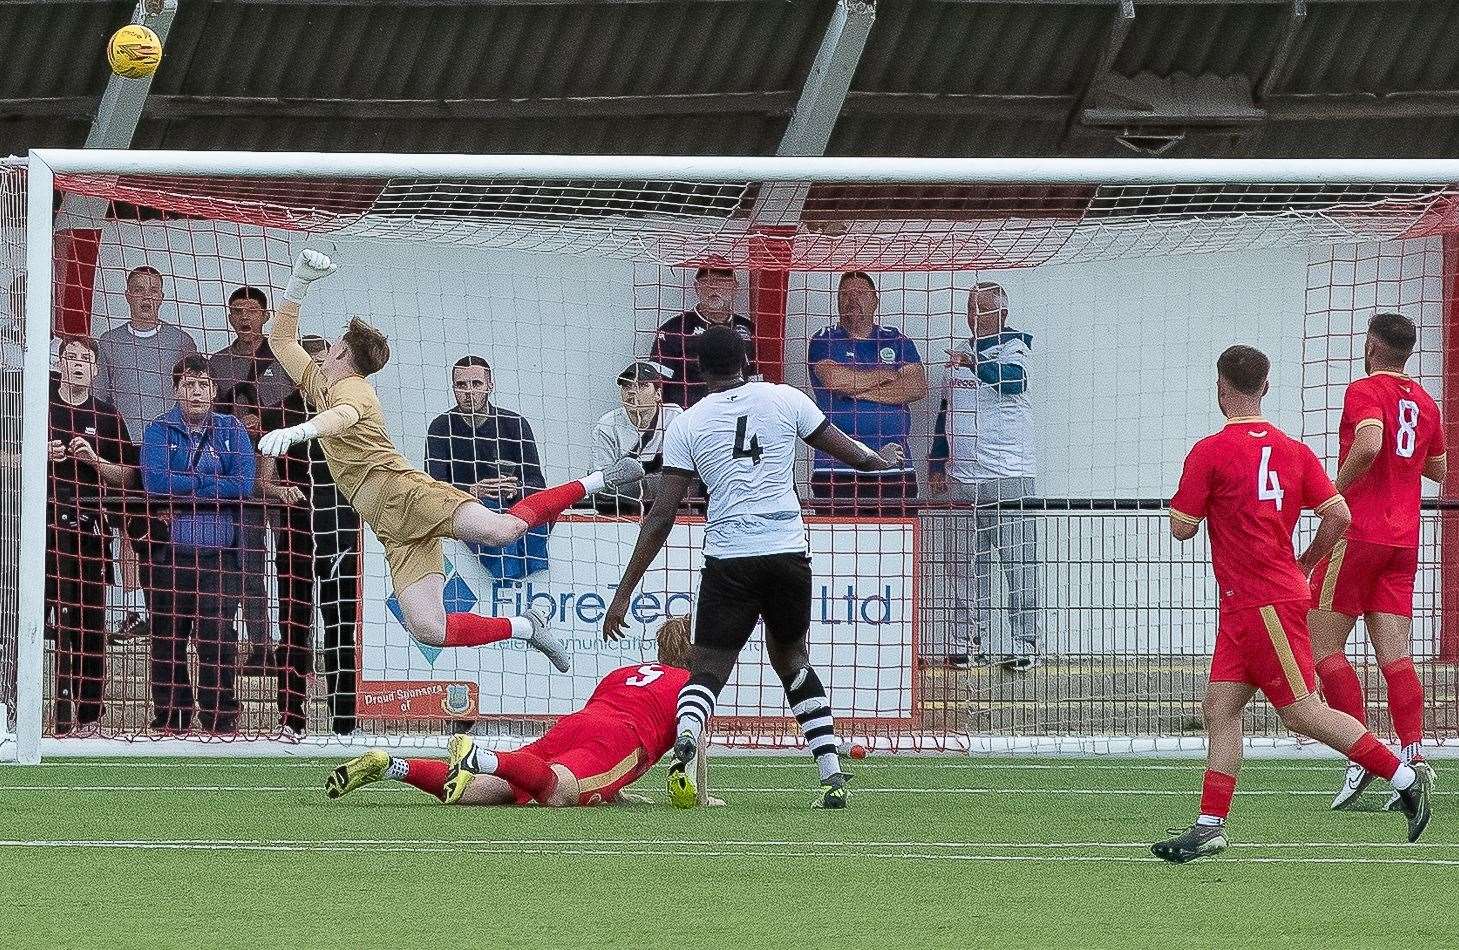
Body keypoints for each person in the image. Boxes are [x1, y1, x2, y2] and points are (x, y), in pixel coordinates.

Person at [257, 250, 642, 669]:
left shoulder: (355, 389)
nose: (324, 350)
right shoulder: (319, 381)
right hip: (392, 527)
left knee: (503, 529)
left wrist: (299, 431)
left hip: (405, 494)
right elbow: (280, 340)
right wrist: (300, 283)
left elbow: (342, 417)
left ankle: (600, 478)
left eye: (332, 345)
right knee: (428, 628)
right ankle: (527, 627)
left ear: (342, 355)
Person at [603, 325, 905, 809]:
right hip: (786, 551)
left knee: (707, 670)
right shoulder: (784, 399)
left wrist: (623, 595)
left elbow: (661, 516)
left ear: (699, 371)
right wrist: (880, 460)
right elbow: (847, 450)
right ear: (747, 361)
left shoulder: (688, 423)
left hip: (729, 557)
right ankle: (830, 772)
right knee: (793, 661)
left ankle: (685, 740)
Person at [1151, 345, 1431, 864]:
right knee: (1221, 707)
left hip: (1263, 602)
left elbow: (1181, 529)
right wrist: (1305, 560)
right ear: (1265, 387)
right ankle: (1210, 824)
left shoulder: (1208, 452)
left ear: (1220, 387)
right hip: (1252, 602)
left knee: (1302, 713)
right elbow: (1338, 514)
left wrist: (1195, 509)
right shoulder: (1294, 451)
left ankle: (1402, 772)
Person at [324, 616, 719, 807]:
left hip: (576, 726)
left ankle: (393, 765)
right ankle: (483, 756)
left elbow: (598, 731)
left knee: (487, 792)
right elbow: (694, 742)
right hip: (618, 741)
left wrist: (614, 790)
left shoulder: (625, 671)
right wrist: (703, 798)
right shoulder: (694, 687)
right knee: (558, 794)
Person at [1308, 313, 1447, 811]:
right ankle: (1412, 756)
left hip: (1358, 534)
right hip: (1403, 540)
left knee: (1321, 646)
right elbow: (1439, 468)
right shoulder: (1425, 402)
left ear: (1370, 345)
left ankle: (1364, 754)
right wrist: (1401, 465)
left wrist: (1331, 492)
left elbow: (1368, 444)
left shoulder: (1365, 390)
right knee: (1397, 656)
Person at [929, 282, 1041, 670]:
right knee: (963, 567)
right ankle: (966, 642)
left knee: (1018, 565)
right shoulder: (957, 355)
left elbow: (1014, 381)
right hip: (962, 479)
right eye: (969, 309)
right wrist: (936, 460)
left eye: (982, 309)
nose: (973, 317)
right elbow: (946, 412)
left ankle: (1026, 643)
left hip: (1009, 477)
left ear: (1003, 315)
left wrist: (973, 363)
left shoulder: (1017, 348)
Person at [141, 355, 254, 734]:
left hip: (220, 557)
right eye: (189, 384)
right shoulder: (158, 430)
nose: (196, 391)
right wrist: (209, 486)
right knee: (167, 637)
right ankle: (172, 715)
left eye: (203, 384)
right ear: (177, 390)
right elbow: (156, 483)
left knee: (217, 636)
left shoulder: (232, 429)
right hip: (169, 554)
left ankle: (220, 715)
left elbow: (244, 485)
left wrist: (189, 485)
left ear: (214, 390)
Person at [94, 265, 199, 644]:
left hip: (171, 450)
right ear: (127, 295)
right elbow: (101, 402)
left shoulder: (181, 342)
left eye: (153, 289)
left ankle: (173, 609)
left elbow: (193, 397)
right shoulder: (107, 343)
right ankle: (134, 610)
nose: (146, 296)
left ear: (163, 295)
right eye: (138, 289)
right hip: (127, 449)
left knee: (173, 525)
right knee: (129, 528)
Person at [265, 334, 362, 737]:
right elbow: (263, 481)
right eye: (311, 362)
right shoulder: (279, 414)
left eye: (325, 361)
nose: (320, 368)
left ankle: (344, 724)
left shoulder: (349, 412)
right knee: (294, 624)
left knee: (340, 626)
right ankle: (292, 719)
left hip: (340, 528)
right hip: (295, 530)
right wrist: (279, 491)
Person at [46, 336, 134, 735]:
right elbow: (6, 457)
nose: (78, 364)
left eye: (85, 359)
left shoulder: (108, 415)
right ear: (59, 363)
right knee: (24, 617)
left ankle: (87, 715)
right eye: (71, 357)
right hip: (40, 529)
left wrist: (94, 461)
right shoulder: (37, 408)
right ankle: (15, 707)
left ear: (96, 370)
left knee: (89, 622)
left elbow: (129, 476)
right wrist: (39, 454)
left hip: (89, 528)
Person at [807, 271, 927, 516]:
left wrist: (857, 390)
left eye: (860, 293)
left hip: (894, 469)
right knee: (836, 549)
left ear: (875, 300)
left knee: (897, 548)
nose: (852, 299)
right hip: (836, 469)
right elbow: (834, 380)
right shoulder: (824, 339)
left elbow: (916, 387)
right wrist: (884, 376)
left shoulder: (896, 339)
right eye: (845, 295)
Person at [424, 355, 548, 582]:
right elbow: (433, 488)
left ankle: (531, 572)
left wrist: (515, 490)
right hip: (467, 510)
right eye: (461, 385)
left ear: (490, 386)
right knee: (489, 509)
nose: (469, 392)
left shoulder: (514, 424)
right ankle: (507, 574)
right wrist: (472, 491)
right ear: (453, 388)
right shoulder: (440, 427)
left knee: (541, 509)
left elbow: (537, 483)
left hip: (511, 507)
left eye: (476, 384)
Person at [649, 262, 756, 409]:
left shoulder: (749, 329)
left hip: (737, 414)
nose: (714, 288)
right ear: (696, 287)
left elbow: (757, 378)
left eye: (722, 282)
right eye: (707, 282)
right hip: (690, 417)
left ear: (735, 288)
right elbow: (656, 383)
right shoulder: (673, 328)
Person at [591, 361, 684, 515]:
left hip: (666, 506)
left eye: (642, 386)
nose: (632, 392)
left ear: (658, 394)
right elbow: (602, 484)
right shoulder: (606, 425)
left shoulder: (674, 417)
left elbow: (681, 475)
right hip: (619, 508)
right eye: (627, 386)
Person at [207, 285, 294, 408]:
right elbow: (213, 408)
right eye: (237, 311)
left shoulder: (284, 354)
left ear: (265, 317)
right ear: (230, 319)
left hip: (283, 427)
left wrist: (267, 419)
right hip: (233, 427)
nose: (244, 316)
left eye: (252, 310)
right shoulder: (218, 361)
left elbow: (301, 401)